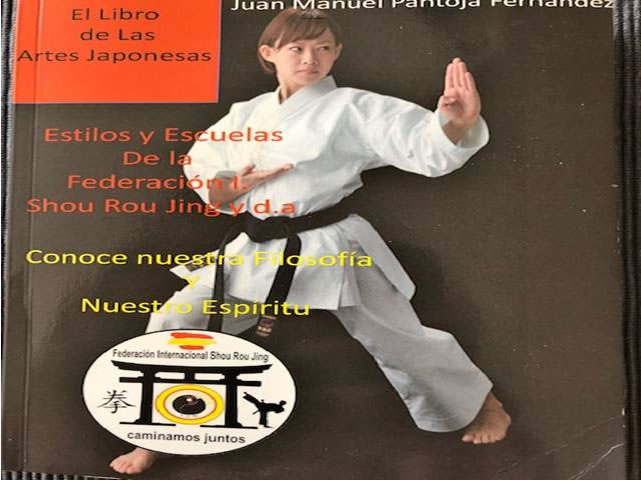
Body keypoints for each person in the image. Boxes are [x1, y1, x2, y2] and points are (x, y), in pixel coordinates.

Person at [110, 8, 511, 475]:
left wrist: (455, 125)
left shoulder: (353, 107)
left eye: (323, 48)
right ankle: (156, 431)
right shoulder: (247, 114)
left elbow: (419, 145)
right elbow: (202, 168)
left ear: (336, 53)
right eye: (297, 48)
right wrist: (233, 184)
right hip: (256, 247)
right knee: (177, 321)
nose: (310, 58)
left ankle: (483, 405)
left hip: (329, 245)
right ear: (269, 53)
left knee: (399, 340)